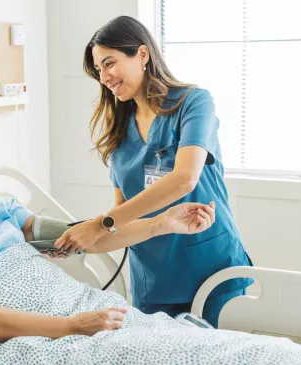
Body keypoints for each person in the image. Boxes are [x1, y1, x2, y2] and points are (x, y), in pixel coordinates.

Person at [0, 113, 215, 341]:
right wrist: (70, 327)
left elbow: (86, 238)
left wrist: (162, 223)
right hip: (12, 339)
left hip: (69, 312)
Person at [54, 15, 253, 328]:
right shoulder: (118, 133)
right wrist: (78, 241)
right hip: (153, 280)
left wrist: (101, 223)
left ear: (142, 55)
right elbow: (120, 223)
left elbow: (184, 179)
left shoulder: (193, 103)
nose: (103, 76)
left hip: (209, 267)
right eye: (98, 69)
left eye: (109, 63)